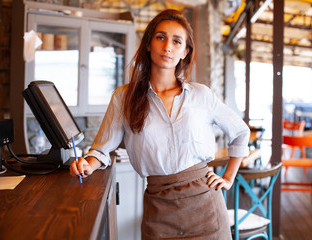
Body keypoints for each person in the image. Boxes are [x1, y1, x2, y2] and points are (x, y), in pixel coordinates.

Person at [70, 9, 250, 240]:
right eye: (160, 37)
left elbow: (240, 132)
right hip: (158, 207)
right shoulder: (123, 98)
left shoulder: (201, 95)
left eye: (177, 41)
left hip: (206, 206)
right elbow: (101, 150)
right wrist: (88, 165)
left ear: (185, 52)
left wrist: (228, 177)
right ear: (148, 44)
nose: (168, 47)